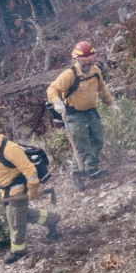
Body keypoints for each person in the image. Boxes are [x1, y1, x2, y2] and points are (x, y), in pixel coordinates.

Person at [0, 122, 60, 265]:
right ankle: (52, 219)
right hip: (3, 191)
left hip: (17, 189)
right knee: (20, 214)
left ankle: (18, 250)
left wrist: (33, 190)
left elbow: (30, 171)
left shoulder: (10, 149)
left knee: (15, 221)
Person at [46, 41, 118, 185]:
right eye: (84, 60)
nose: (87, 62)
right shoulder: (69, 75)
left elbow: (102, 89)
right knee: (81, 146)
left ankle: (92, 169)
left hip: (91, 112)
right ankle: (76, 174)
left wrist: (111, 103)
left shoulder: (95, 71)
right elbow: (52, 89)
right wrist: (57, 102)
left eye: (89, 59)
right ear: (76, 58)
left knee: (98, 140)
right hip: (74, 114)